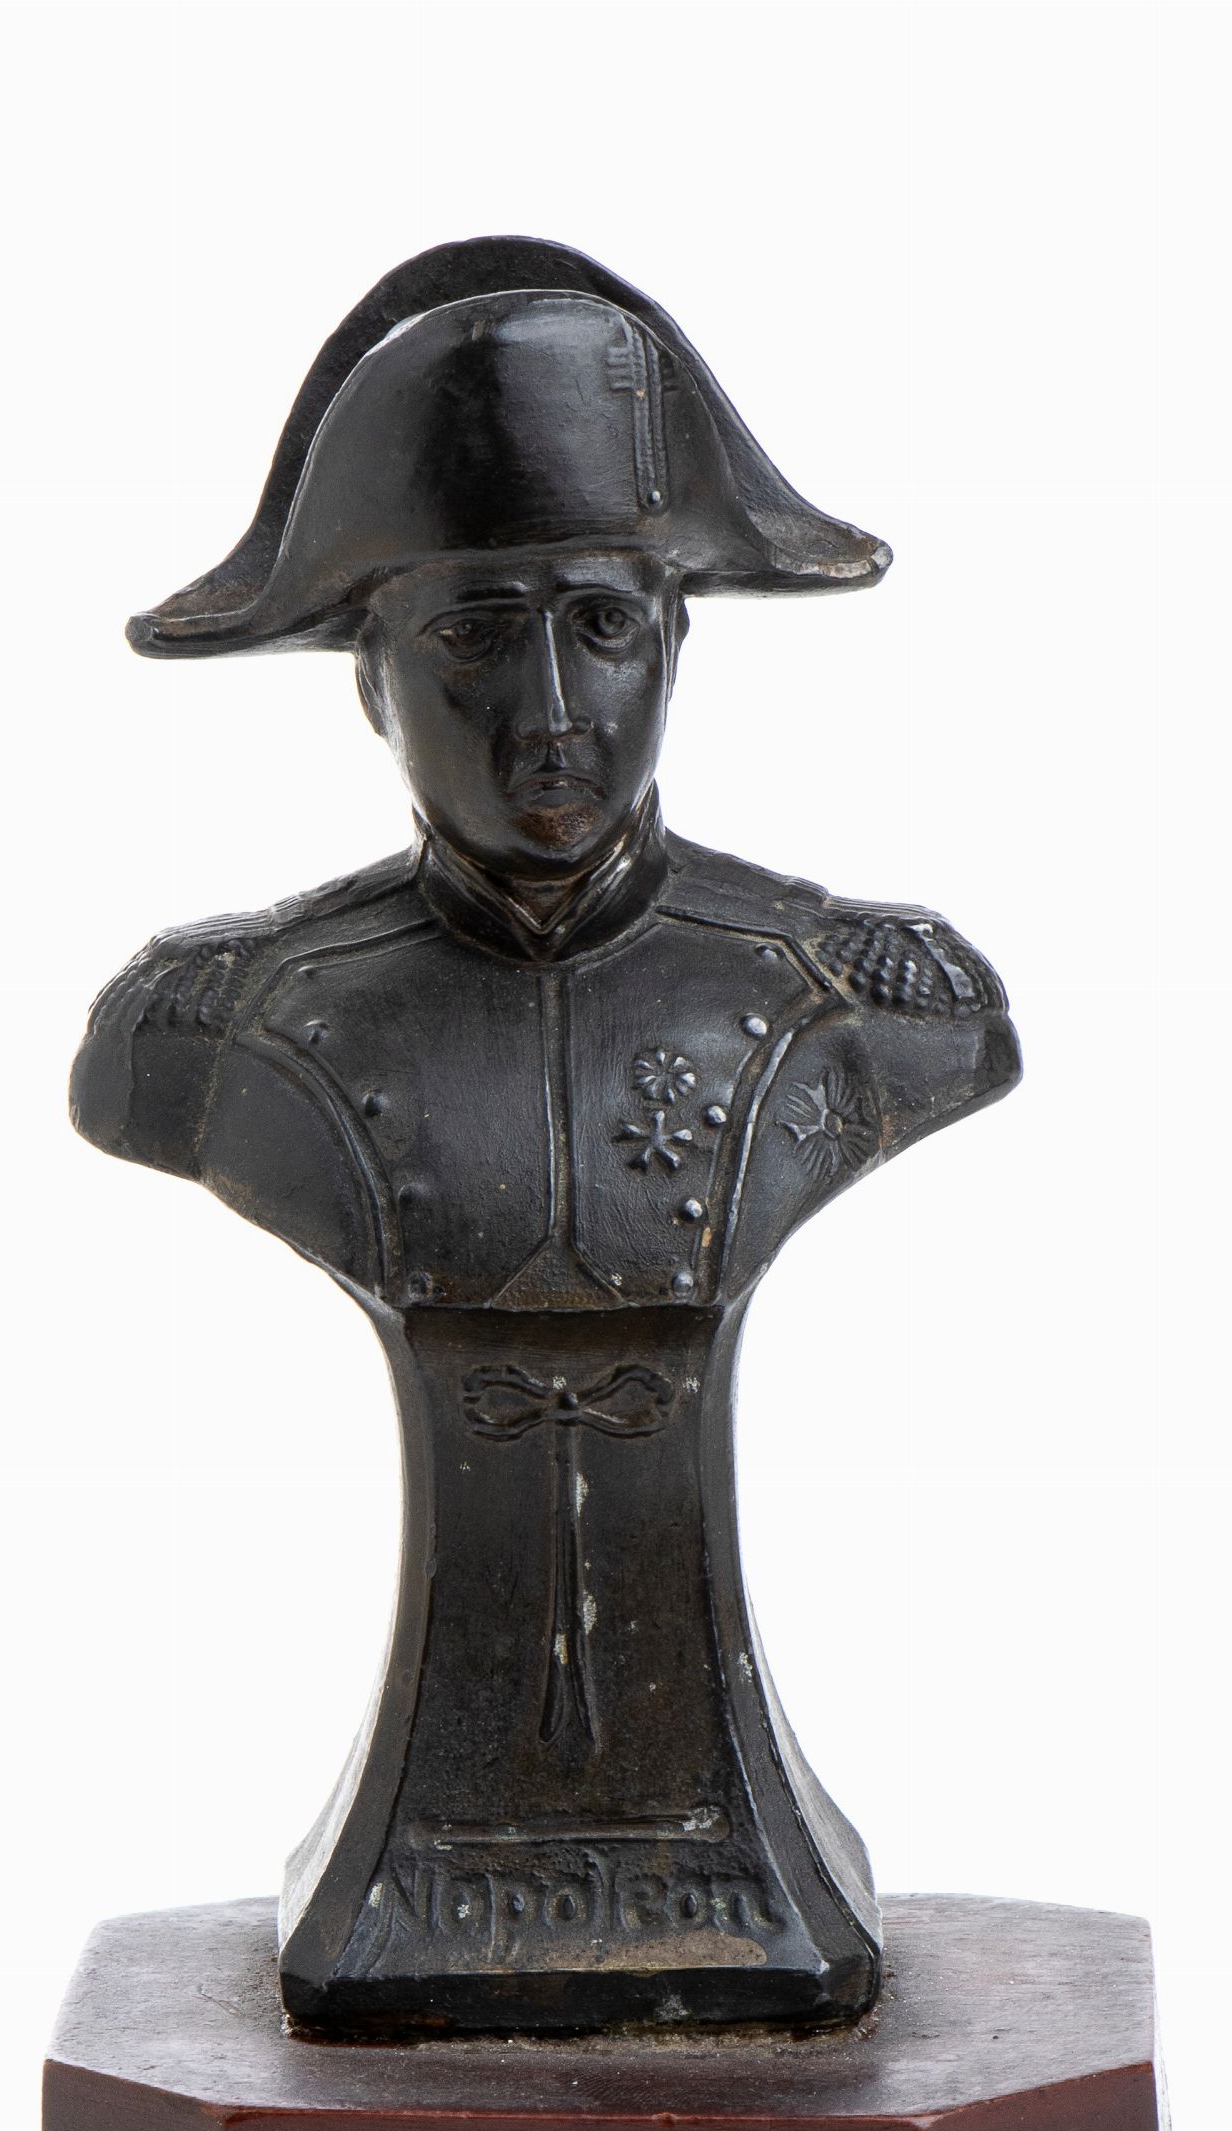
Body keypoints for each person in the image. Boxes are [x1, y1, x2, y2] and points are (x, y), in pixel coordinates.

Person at [72, 240, 1020, 2033]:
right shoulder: (215, 1027)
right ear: (369, 677)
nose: (554, 717)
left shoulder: (863, 999)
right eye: (472, 635)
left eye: (602, 626)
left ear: (677, 641)